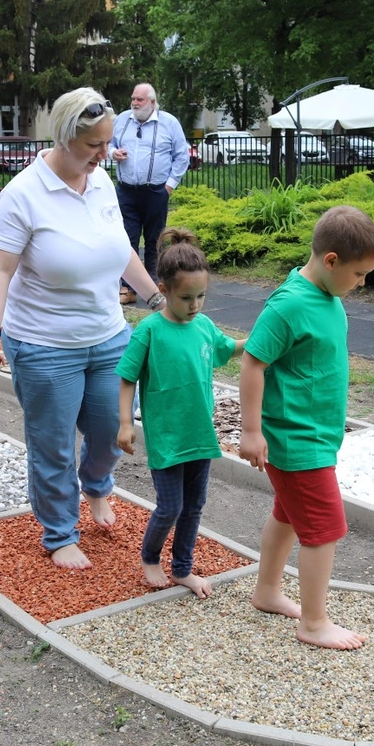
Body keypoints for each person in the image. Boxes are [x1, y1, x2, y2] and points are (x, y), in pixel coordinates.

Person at [0, 87, 162, 571]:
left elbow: (120, 249)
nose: (106, 154)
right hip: (42, 343)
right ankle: (59, 532)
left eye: (108, 143)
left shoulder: (99, 183)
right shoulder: (23, 193)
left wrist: (157, 299)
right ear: (64, 138)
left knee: (111, 428)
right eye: (95, 146)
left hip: (107, 335)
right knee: (53, 442)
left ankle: (97, 485)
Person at [238, 205, 374, 650]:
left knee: (288, 514)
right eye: (359, 274)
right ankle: (315, 622)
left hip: (316, 435)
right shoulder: (288, 305)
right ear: (331, 260)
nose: (362, 284)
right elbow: (252, 362)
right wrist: (250, 431)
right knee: (324, 526)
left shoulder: (327, 297)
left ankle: (267, 591)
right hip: (295, 438)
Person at [116, 228, 246, 599]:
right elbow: (126, 378)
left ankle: (183, 568)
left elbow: (230, 348)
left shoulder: (203, 326)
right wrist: (126, 423)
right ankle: (150, 556)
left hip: (199, 435)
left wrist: (264, 340)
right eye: (186, 297)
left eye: (201, 296)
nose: (194, 305)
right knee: (170, 506)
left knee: (194, 506)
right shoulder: (150, 331)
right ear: (164, 288)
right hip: (167, 435)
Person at [109, 83, 192, 303]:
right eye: (133, 98)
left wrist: (169, 186)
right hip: (127, 190)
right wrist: (113, 153)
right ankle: (128, 288)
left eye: (140, 100)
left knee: (155, 239)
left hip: (156, 191)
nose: (135, 103)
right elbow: (109, 143)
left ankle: (154, 285)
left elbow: (182, 156)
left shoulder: (169, 123)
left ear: (152, 102)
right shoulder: (122, 120)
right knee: (128, 239)